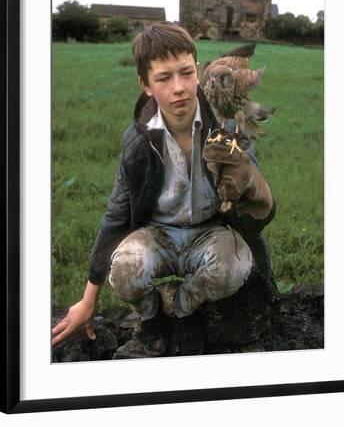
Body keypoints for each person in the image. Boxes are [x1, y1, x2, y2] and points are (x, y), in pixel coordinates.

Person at [52, 22, 278, 356]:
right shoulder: (138, 141)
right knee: (125, 272)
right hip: (157, 233)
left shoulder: (228, 124)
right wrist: (88, 300)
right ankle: (152, 316)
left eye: (187, 73)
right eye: (163, 78)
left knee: (233, 268)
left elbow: (256, 209)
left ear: (198, 70)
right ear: (145, 84)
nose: (179, 88)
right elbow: (115, 215)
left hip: (210, 231)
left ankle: (181, 308)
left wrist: (248, 180)